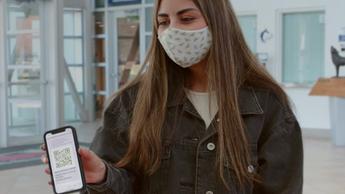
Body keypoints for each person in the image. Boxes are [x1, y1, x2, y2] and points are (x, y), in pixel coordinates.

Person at [41, 0, 303, 193]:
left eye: (187, 19)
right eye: (163, 22)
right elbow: (122, 183)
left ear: (219, 23)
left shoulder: (268, 105)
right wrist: (101, 176)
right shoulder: (132, 102)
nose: (172, 31)